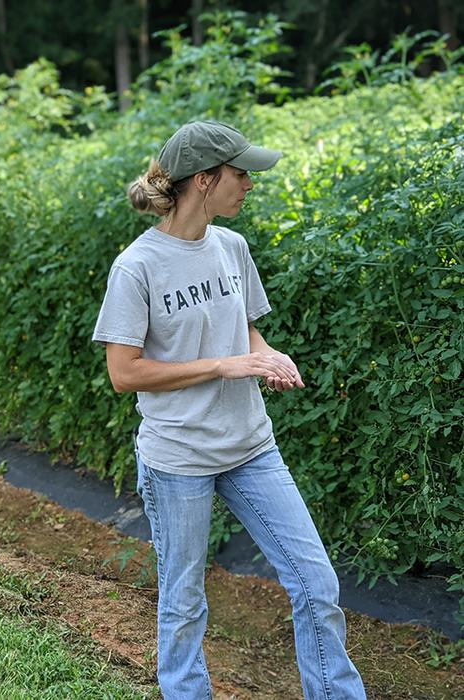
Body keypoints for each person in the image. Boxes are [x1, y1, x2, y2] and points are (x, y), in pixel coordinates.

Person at [92, 120, 366, 699]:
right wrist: (223, 365)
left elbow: (246, 333)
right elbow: (124, 373)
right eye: (241, 174)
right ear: (204, 180)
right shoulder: (137, 267)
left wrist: (267, 357)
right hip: (179, 458)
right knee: (185, 599)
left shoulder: (232, 247)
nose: (249, 184)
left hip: (250, 447)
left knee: (316, 581)